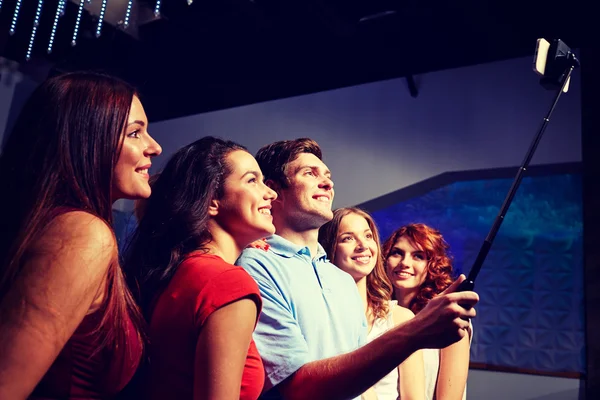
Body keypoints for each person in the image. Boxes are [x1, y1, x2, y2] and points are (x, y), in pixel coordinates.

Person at [236, 138, 479, 400]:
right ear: (274, 190)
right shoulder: (257, 266)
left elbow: (362, 385)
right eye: (309, 173)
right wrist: (414, 332)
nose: (328, 183)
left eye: (328, 176)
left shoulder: (340, 280)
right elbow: (297, 389)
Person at [0, 71, 162, 399]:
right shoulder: (83, 234)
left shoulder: (56, 226)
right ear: (87, 140)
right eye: (135, 133)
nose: (154, 147)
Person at [124, 136, 277, 400]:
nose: (270, 193)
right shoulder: (227, 283)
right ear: (212, 202)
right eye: (252, 180)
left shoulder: (180, 271)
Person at [319, 207, 425, 400]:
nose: (362, 245)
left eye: (368, 236)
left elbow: (414, 397)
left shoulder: (400, 319)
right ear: (329, 248)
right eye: (348, 238)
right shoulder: (320, 317)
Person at [382, 223, 472, 400]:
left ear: (433, 266)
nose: (404, 263)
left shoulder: (447, 318)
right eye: (397, 253)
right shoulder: (377, 315)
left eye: (418, 256)